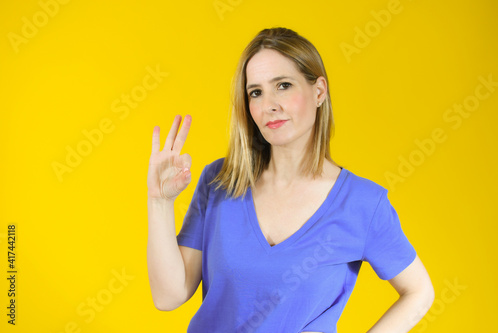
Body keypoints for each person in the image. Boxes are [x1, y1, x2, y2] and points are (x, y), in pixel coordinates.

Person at [147, 27, 434, 333]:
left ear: (319, 91)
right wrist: (160, 201)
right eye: (255, 92)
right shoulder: (219, 182)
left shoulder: (363, 203)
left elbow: (419, 292)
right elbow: (169, 296)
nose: (269, 104)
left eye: (283, 85)